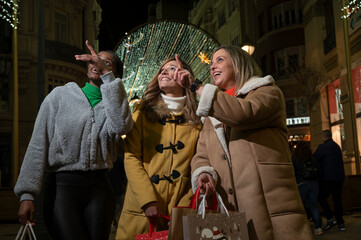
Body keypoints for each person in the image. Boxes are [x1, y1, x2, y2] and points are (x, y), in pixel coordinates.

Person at [176, 46, 313, 240]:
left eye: (220, 60)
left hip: (270, 208)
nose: (212, 66)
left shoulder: (267, 92)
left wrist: (197, 86)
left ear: (238, 64)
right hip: (231, 211)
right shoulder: (212, 113)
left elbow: (242, 113)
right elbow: (202, 154)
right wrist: (203, 173)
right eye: (212, 62)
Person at [14, 40, 133, 240]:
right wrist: (27, 194)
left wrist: (109, 81)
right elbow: (37, 145)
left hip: (100, 189)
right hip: (63, 190)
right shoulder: (59, 96)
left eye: (106, 63)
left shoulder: (114, 105)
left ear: (115, 75)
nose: (97, 63)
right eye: (94, 60)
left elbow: (122, 127)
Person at [115, 56, 202, 239]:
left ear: (185, 76)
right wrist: (147, 201)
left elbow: (196, 166)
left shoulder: (197, 121)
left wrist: (182, 209)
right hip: (140, 209)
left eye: (171, 68)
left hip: (176, 214)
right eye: (162, 69)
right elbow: (131, 157)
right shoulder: (143, 111)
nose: (163, 71)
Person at [314, 129, 346, 231]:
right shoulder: (337, 146)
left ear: (324, 137)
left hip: (328, 178)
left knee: (321, 196)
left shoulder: (322, 147)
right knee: (337, 200)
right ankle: (341, 224)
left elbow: (315, 159)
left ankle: (330, 218)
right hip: (339, 178)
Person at [292, 141, 323, 235]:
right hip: (314, 184)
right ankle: (318, 228)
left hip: (302, 184)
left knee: (299, 207)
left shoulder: (296, 158)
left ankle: (299, 228)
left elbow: (293, 171)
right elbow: (319, 171)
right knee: (314, 206)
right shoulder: (313, 157)